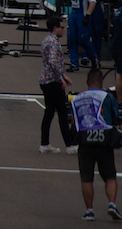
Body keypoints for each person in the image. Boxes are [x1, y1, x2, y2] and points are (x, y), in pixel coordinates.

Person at [70, 68, 122, 221]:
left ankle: (89, 210)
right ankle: (111, 203)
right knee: (110, 176)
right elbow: (116, 117)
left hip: (85, 141)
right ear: (101, 83)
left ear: (87, 82)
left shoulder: (78, 98)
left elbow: (74, 121)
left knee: (86, 178)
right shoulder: (108, 96)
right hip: (104, 140)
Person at [38, 16, 77, 154]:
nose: (63, 29)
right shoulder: (53, 42)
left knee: (49, 112)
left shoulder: (47, 40)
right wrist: (61, 78)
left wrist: (63, 76)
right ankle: (70, 144)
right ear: (55, 28)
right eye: (62, 27)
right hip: (52, 82)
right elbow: (54, 62)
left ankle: (45, 143)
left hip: (46, 80)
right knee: (61, 112)